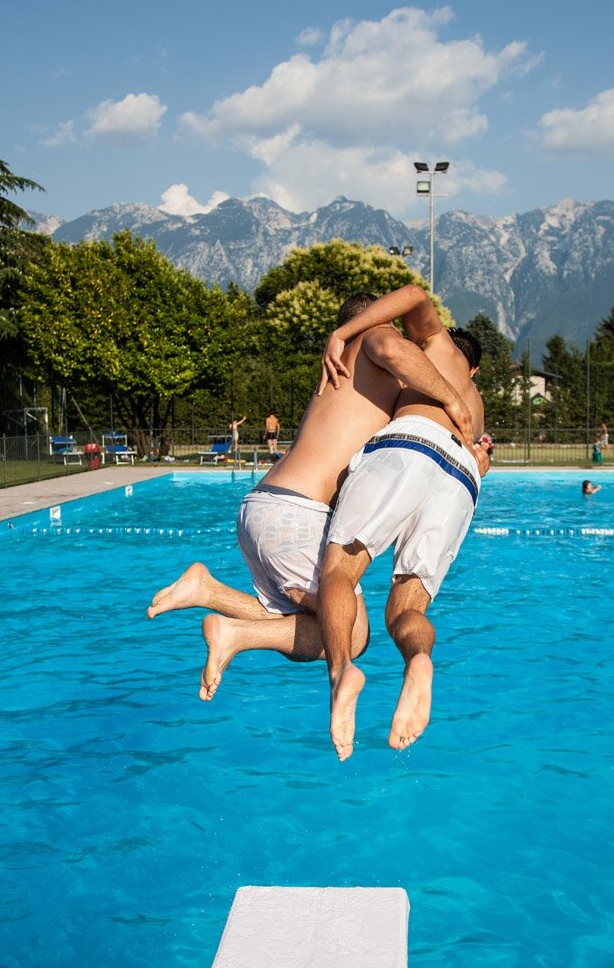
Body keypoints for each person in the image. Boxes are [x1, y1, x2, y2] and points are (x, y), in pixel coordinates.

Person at [148, 285, 475, 708]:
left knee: (316, 619)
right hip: (296, 513)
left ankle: (208, 591)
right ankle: (233, 633)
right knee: (352, 635)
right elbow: (394, 351)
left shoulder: (346, 379)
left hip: (267, 506)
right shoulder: (373, 338)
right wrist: (452, 398)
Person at [317, 290, 487, 760]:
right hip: (463, 477)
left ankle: (341, 673)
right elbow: (482, 462)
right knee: (405, 609)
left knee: (340, 572)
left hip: (413, 443)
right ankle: (419, 660)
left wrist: (342, 333)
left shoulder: (435, 347)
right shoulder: (476, 403)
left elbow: (413, 297)